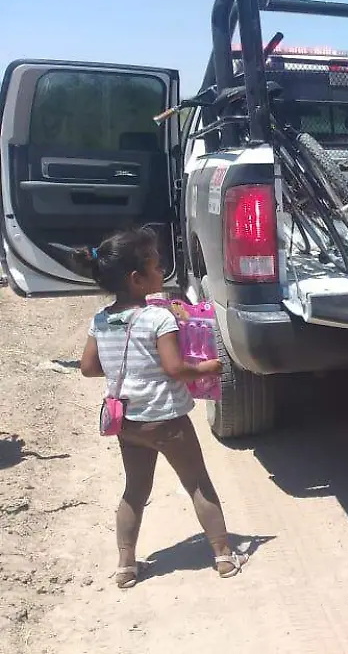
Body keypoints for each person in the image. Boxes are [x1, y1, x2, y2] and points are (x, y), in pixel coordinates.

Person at [76, 228, 245, 589]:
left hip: (129, 423)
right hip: (167, 420)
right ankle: (224, 555)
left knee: (135, 490)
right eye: (155, 267)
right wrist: (207, 368)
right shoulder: (159, 319)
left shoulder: (100, 320)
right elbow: (174, 369)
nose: (162, 270)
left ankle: (125, 564)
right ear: (137, 280)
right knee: (198, 484)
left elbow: (89, 368)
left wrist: (125, 366)